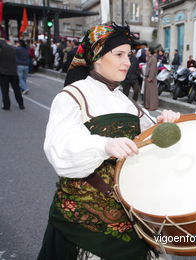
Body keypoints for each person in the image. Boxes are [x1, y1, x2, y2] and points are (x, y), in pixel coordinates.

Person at [38, 23, 180, 260]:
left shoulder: (126, 101)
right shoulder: (72, 96)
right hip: (85, 220)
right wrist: (103, 145)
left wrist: (164, 123)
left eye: (129, 55)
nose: (128, 62)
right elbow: (60, 150)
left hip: (129, 211)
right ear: (97, 56)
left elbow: (148, 138)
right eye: (119, 55)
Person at [0, 38, 25, 110]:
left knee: (5, 91)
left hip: (4, 73)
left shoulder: (1, 50)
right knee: (16, 89)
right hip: (13, 72)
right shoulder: (13, 49)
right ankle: (21, 104)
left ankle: (6, 105)